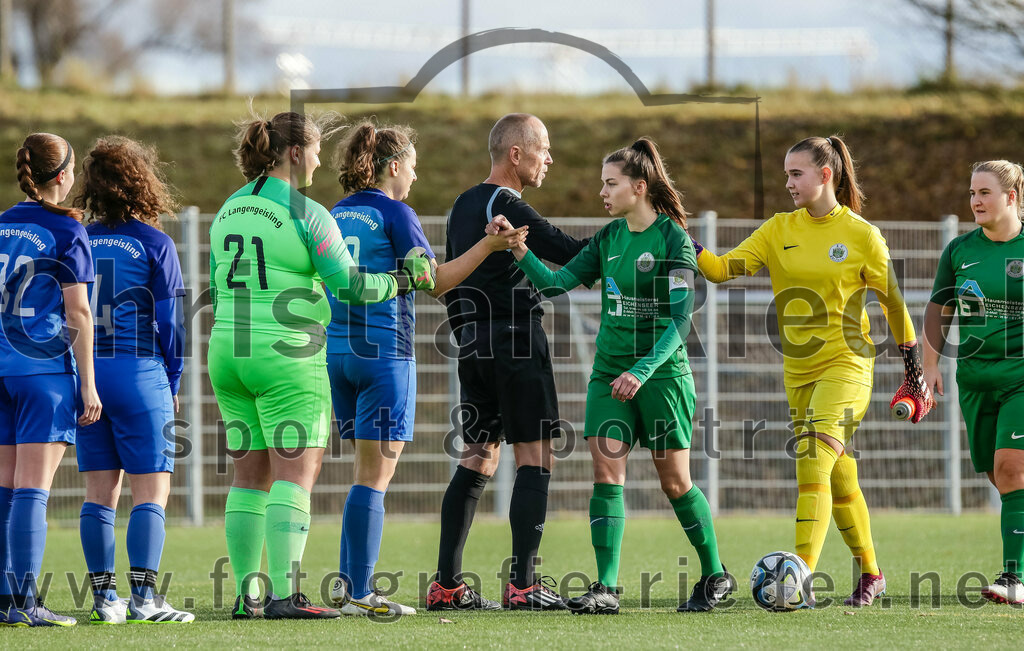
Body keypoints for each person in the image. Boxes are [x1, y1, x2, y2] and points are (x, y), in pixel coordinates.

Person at [690, 135, 933, 607]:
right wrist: (681, 235)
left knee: (811, 463)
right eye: (785, 174)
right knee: (839, 480)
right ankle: (872, 574)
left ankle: (794, 579)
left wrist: (914, 372)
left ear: (826, 176)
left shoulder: (862, 235)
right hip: (798, 374)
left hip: (848, 367)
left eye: (795, 174)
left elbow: (895, 305)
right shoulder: (779, 228)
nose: (788, 183)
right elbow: (720, 269)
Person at [210, 111, 435, 621]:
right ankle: (285, 597)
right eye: (313, 150)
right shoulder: (308, 213)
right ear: (294, 153)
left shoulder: (229, 209)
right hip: (285, 355)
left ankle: (248, 599)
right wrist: (401, 281)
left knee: (248, 477)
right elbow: (352, 286)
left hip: (228, 350)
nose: (317, 160)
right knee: (295, 473)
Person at [500, 137, 731, 614]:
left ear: (639, 187)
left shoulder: (672, 238)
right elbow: (556, 283)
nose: (602, 192)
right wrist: (521, 250)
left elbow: (680, 320)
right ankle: (605, 587)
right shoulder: (609, 238)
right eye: (602, 184)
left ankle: (714, 574)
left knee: (676, 483)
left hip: (662, 377)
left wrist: (643, 371)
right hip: (609, 376)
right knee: (606, 474)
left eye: (611, 183)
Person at [325, 122, 526, 616]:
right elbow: (434, 282)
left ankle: (351, 586)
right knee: (374, 479)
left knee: (361, 474)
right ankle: (360, 592)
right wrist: (487, 248)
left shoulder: (331, 213)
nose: (415, 176)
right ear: (393, 166)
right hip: (385, 355)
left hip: (336, 353)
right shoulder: (397, 213)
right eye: (412, 166)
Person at [425, 113, 587, 611]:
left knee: (477, 457)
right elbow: (567, 252)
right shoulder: (506, 203)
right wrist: (635, 241)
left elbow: (449, 277)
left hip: (471, 346)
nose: (549, 158)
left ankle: (446, 585)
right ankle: (524, 584)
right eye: (543, 147)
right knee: (535, 457)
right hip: (515, 342)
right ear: (515, 154)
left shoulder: (462, 204)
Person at [72, 136, 193, 624]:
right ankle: (145, 599)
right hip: (140, 373)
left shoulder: (76, 237)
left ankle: (106, 601)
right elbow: (171, 325)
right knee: (151, 492)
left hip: (88, 377)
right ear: (142, 181)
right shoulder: (155, 242)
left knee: (98, 494)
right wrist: (175, 379)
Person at [0, 133, 101, 626]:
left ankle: (4, 601)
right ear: (62, 176)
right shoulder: (66, 230)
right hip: (40, 371)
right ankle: (25, 604)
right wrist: (88, 384)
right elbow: (78, 310)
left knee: (5, 489)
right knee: (32, 490)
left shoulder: (1, 224)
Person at [923, 160, 1024, 605]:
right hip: (975, 379)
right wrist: (927, 367)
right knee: (997, 476)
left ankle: (1014, 577)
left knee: (1011, 468)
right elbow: (938, 308)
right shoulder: (960, 250)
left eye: (984, 192)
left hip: (1020, 380)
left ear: (1011, 197)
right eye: (971, 193)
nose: (975, 202)